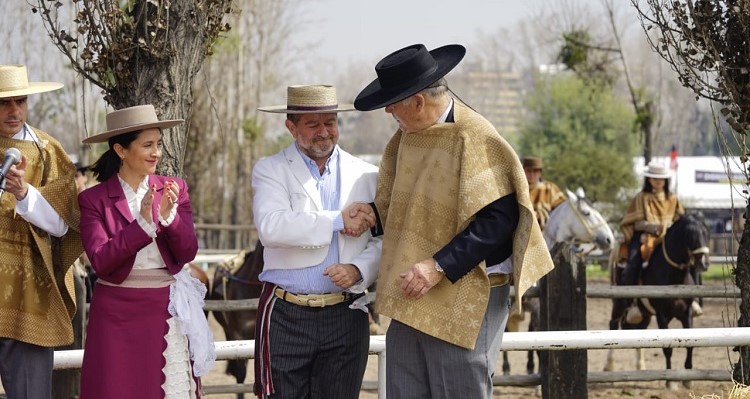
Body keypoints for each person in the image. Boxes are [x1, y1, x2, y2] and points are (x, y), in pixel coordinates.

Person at [352, 43, 554, 398]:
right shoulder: (404, 139)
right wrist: (375, 214)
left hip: (466, 292)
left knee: (458, 390)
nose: (387, 111)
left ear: (418, 102)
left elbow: (500, 221)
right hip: (411, 290)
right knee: (404, 390)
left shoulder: (476, 137)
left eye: (393, 102)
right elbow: (411, 204)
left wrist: (438, 266)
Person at [252, 85, 382, 399]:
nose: (324, 132)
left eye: (331, 122)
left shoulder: (368, 174)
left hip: (346, 311)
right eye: (313, 124)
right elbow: (271, 227)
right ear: (291, 127)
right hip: (285, 312)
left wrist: (358, 270)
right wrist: (338, 219)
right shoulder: (270, 170)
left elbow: (384, 239)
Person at [78, 104, 214, 398]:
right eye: (148, 145)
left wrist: (169, 219)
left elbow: (188, 250)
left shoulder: (175, 188)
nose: (157, 153)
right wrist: (141, 225)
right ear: (121, 150)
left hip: (165, 309)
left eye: (159, 144)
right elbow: (101, 261)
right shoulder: (93, 199)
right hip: (114, 314)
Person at [0, 64, 82, 399]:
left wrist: (24, 194)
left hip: (29, 293)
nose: (14, 110)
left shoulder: (49, 151)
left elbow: (64, 224)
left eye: (20, 101)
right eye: (4, 102)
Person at [620, 161, 684, 286]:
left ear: (665, 180)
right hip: (644, 237)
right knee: (633, 263)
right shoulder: (641, 197)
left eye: (661, 178)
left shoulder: (673, 198)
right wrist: (655, 228)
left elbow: (680, 219)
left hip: (669, 236)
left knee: (689, 260)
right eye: (655, 178)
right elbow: (637, 224)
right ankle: (627, 296)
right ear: (649, 179)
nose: (658, 181)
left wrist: (668, 228)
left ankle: (695, 298)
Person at [522, 156, 567, 230]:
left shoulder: (550, 188)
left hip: (547, 234)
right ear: (523, 172)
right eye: (529, 171)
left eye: (535, 171)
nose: (532, 174)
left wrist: (541, 215)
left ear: (540, 173)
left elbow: (563, 210)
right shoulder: (518, 190)